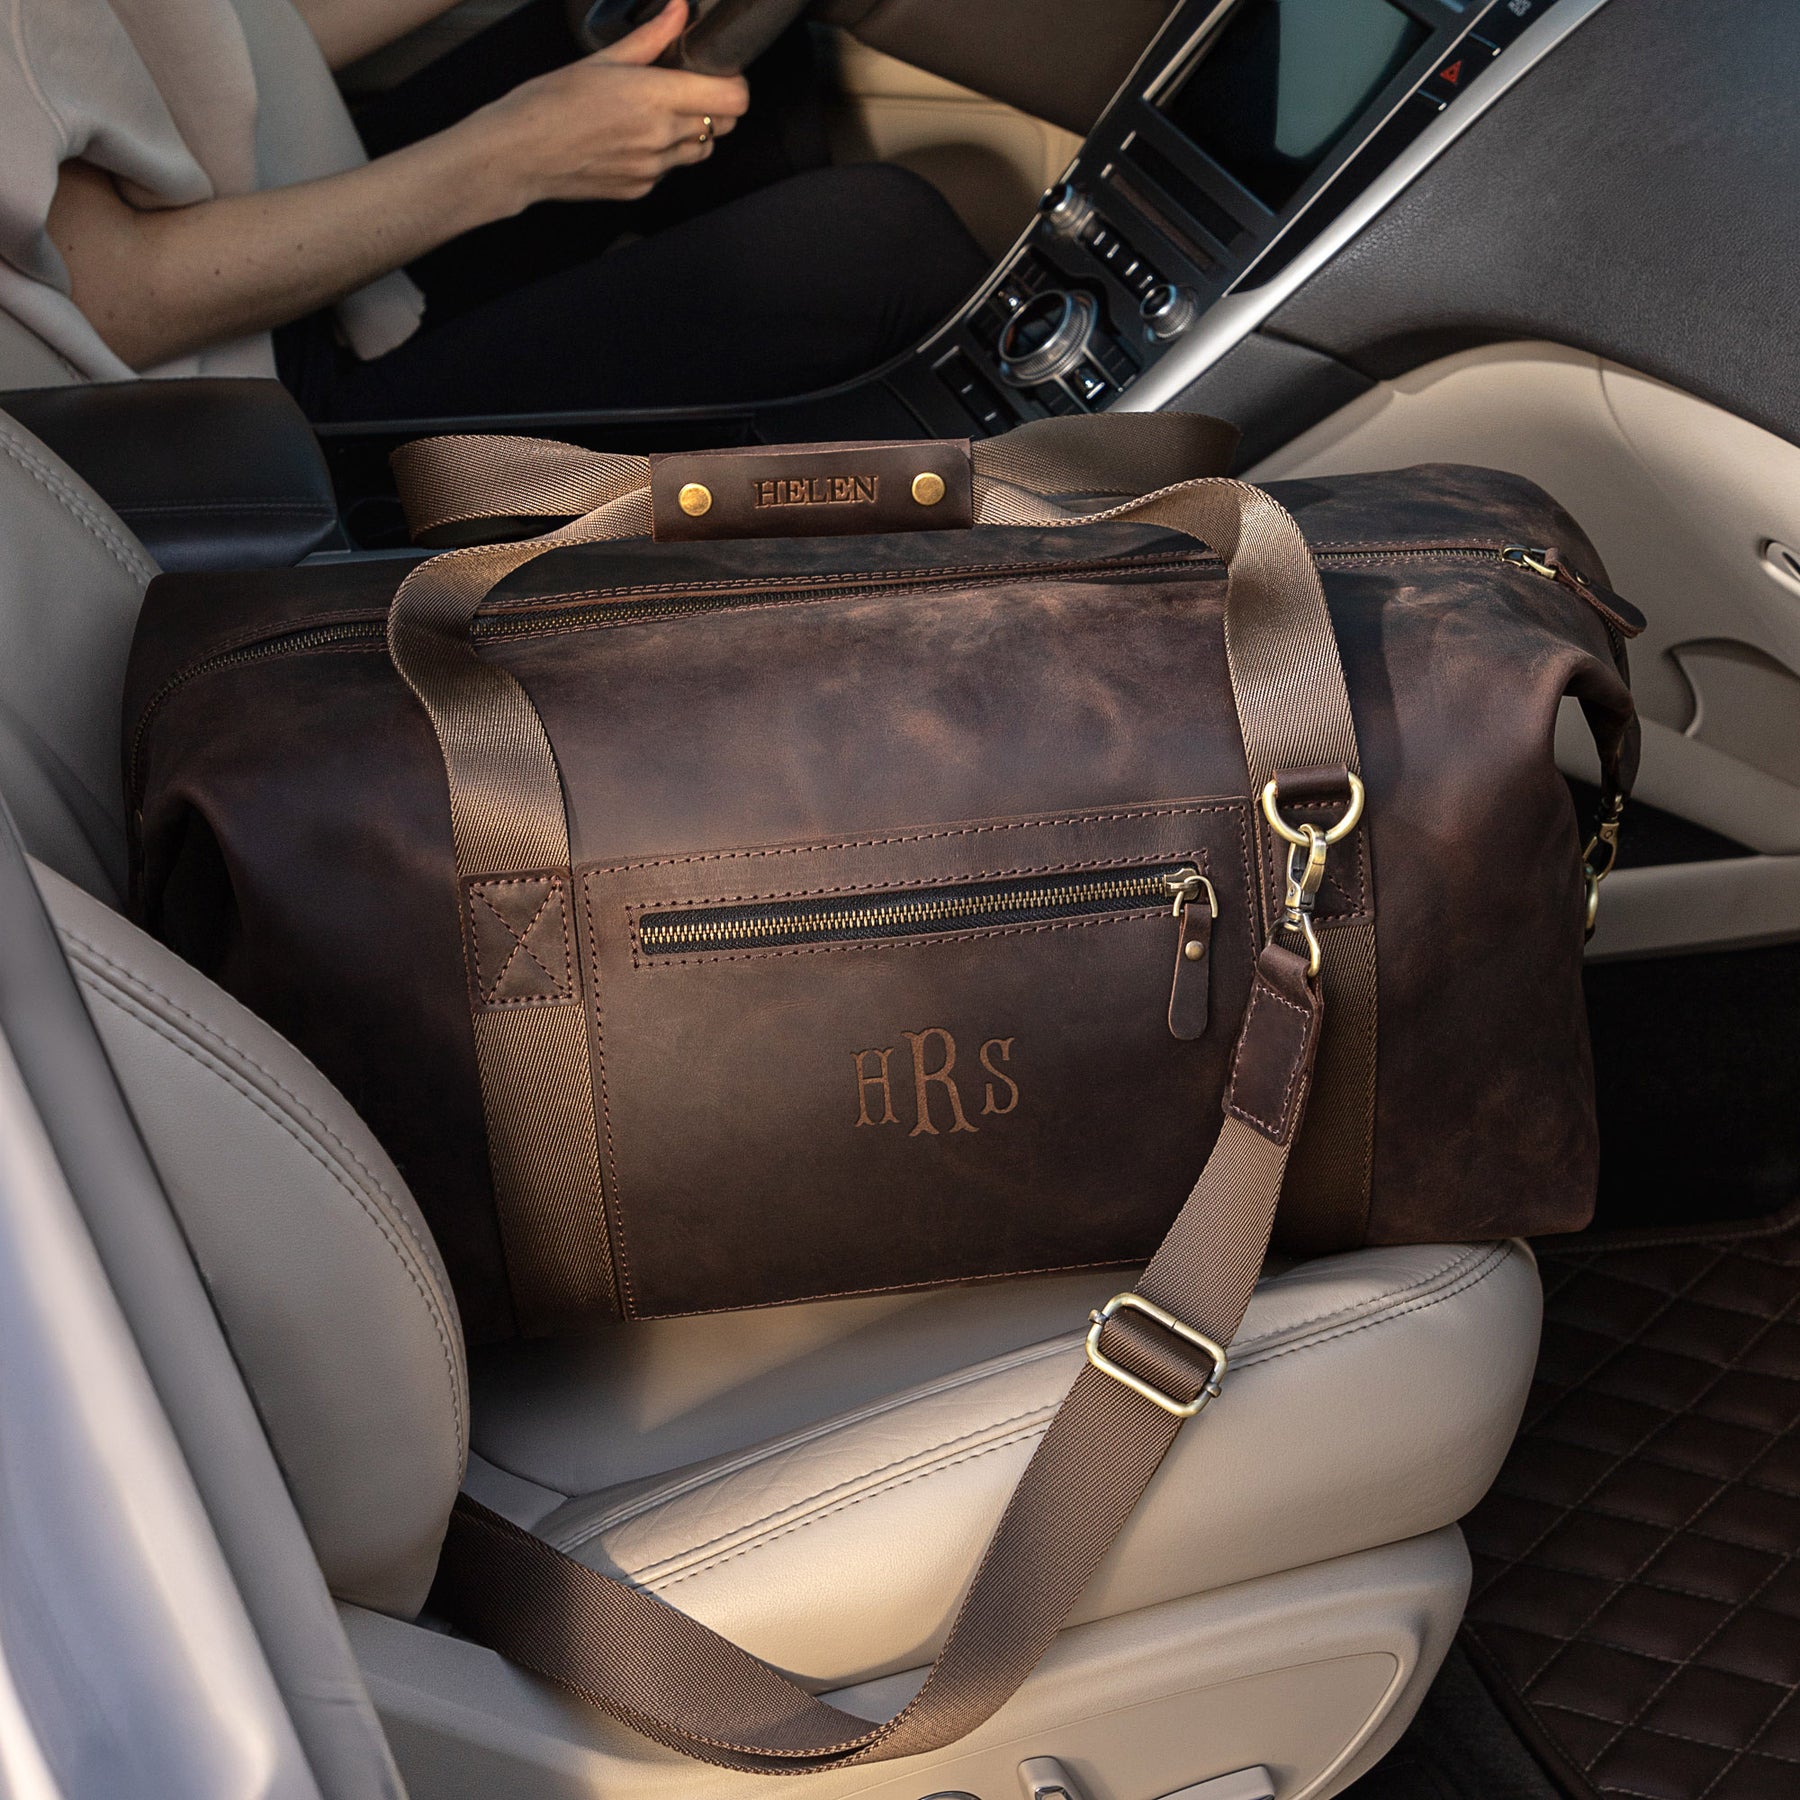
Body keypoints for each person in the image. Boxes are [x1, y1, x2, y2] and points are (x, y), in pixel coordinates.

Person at [12, 0, 989, 420]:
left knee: (719, 50)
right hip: (230, 413)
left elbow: (219, 34)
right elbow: (111, 303)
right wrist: (515, 158)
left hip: (281, 201)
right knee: (882, 243)